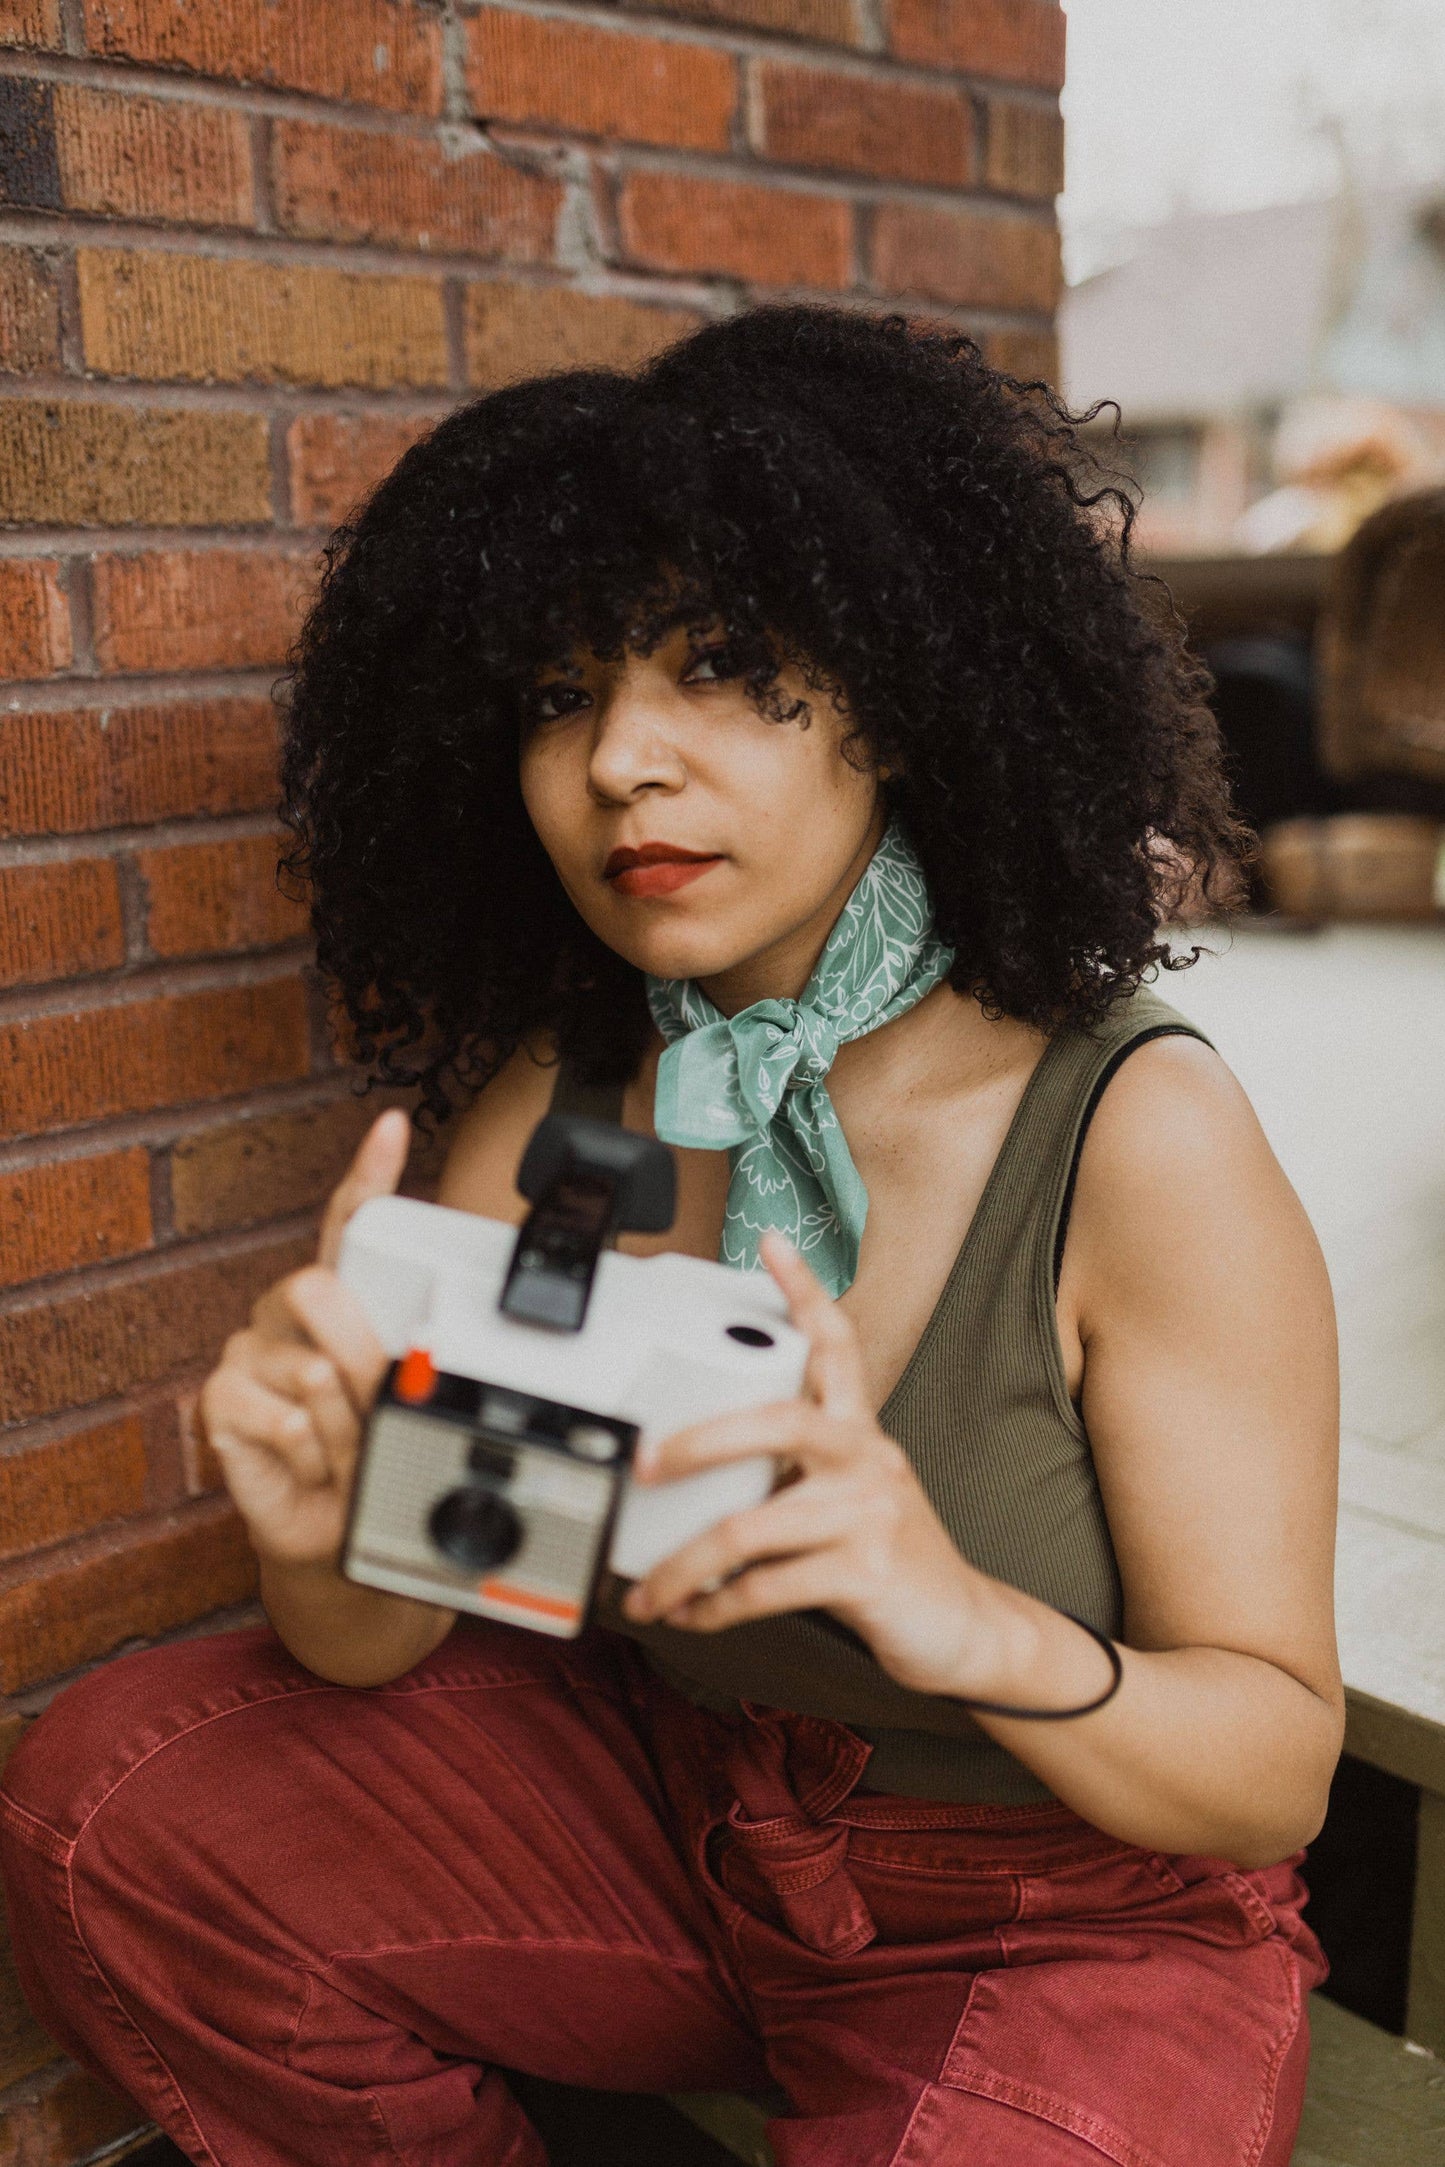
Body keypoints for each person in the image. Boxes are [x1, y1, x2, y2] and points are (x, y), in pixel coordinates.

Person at [0, 307, 1341, 2167]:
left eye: (718, 665)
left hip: (1068, 1912)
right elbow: (412, 1612)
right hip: (684, 1822)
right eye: (561, 693)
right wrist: (322, 1538)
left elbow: (1271, 1763)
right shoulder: (578, 1112)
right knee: (115, 1803)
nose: (622, 756)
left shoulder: (1128, 1132)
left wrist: (962, 1623)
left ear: (898, 685)